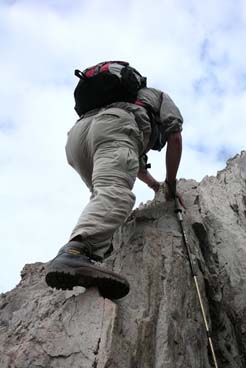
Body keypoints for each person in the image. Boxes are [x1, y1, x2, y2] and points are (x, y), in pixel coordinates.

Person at [45, 62, 183, 300]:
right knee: (115, 195)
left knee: (104, 194)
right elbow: (175, 137)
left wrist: (153, 185)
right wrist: (170, 185)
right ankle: (75, 253)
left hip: (78, 139)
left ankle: (94, 258)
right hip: (114, 127)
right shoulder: (158, 97)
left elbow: (134, 163)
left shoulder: (123, 101)